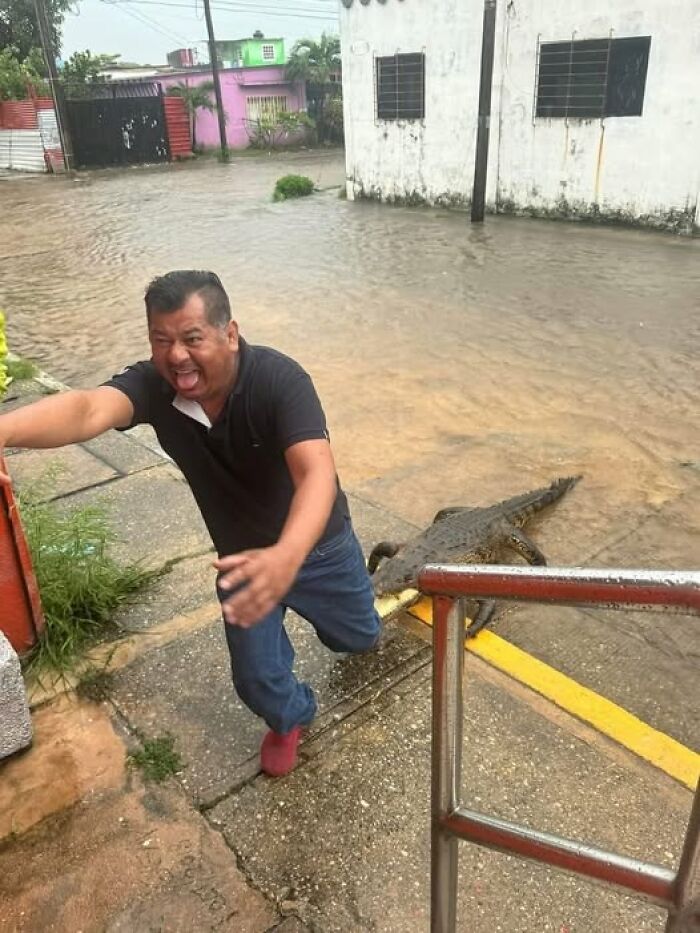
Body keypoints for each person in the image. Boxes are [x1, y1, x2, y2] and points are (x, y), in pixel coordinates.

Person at [0, 270, 381, 776]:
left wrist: (288, 556)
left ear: (230, 333)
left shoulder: (279, 381)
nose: (176, 355)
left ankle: (352, 620)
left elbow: (317, 473)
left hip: (317, 548)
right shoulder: (156, 389)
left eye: (191, 338)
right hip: (241, 558)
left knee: (358, 640)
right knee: (255, 677)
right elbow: (88, 408)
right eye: (162, 340)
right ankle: (291, 716)